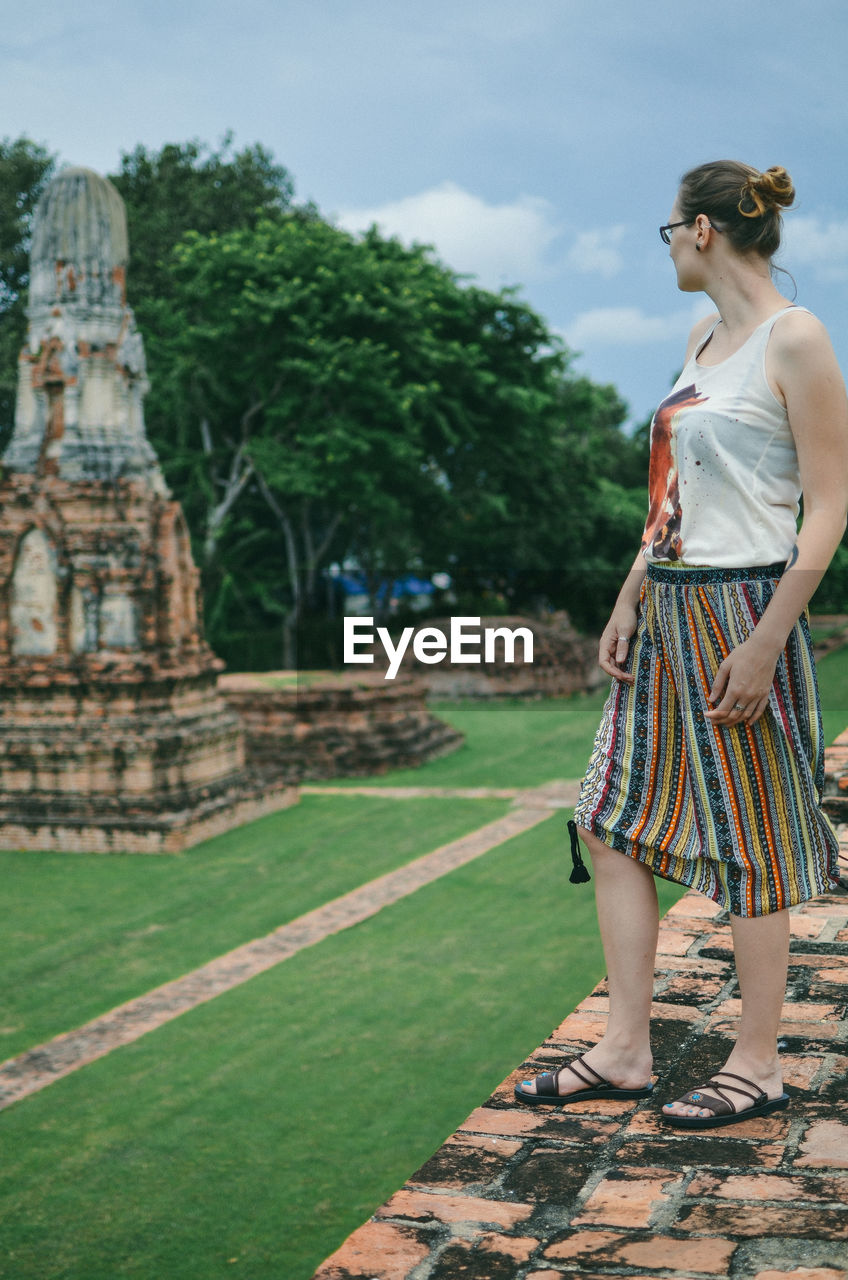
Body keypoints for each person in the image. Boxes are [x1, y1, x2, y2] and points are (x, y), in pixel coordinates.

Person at [514, 160, 848, 1129]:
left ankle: (756, 1062)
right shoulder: (700, 336)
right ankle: (623, 1048)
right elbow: (669, 497)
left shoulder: (795, 340)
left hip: (743, 608)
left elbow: (827, 506)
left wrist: (762, 641)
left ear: (700, 230)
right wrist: (626, 597)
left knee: (745, 845)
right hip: (665, 605)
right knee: (606, 819)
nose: (662, 245)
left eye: (665, 230)